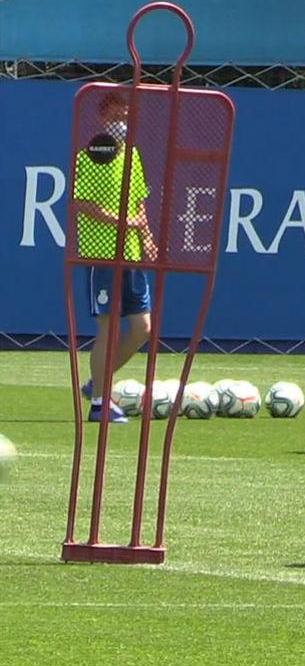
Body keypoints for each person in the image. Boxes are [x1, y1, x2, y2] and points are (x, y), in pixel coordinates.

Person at [75, 91, 158, 424]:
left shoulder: (133, 155)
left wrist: (146, 235)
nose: (121, 122)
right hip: (102, 252)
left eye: (125, 116)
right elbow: (80, 201)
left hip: (132, 254)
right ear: (103, 118)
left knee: (142, 328)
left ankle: (98, 382)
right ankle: (99, 404)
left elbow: (138, 202)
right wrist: (119, 221)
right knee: (108, 327)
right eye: (114, 116)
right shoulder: (94, 155)